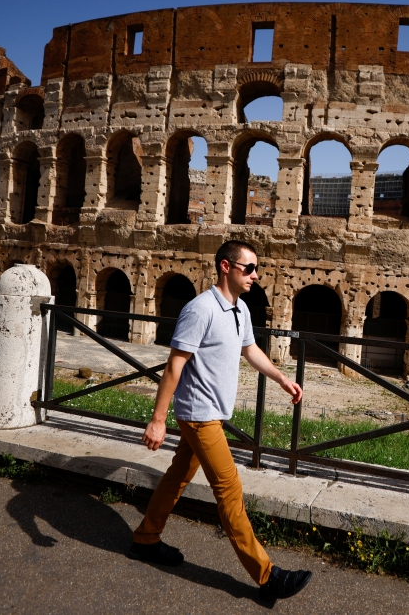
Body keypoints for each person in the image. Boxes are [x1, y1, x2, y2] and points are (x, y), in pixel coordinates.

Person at [129, 240, 313, 600]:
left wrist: (281, 378)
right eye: (249, 268)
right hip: (199, 415)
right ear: (226, 267)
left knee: (178, 476)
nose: (255, 276)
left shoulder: (240, 310)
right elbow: (174, 365)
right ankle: (267, 576)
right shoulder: (200, 310)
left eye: (256, 269)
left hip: (210, 413)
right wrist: (158, 418)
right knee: (229, 490)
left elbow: (250, 350)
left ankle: (146, 538)